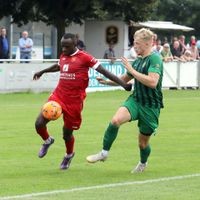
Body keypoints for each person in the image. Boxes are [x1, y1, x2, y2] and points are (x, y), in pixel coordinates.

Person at [33, 33, 132, 170]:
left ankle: (69, 155)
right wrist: (42, 71)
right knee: (39, 123)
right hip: (58, 96)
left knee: (66, 133)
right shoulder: (63, 56)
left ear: (75, 45)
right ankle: (48, 141)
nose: (63, 49)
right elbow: (58, 66)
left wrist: (123, 84)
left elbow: (104, 72)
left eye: (67, 46)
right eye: (62, 46)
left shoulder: (85, 58)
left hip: (74, 102)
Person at [86, 28, 164, 173]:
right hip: (136, 100)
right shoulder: (138, 61)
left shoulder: (155, 59)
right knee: (115, 120)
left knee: (142, 144)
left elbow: (153, 82)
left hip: (151, 106)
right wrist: (106, 82)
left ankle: (143, 163)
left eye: (138, 44)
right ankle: (104, 153)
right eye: (134, 43)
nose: (135, 46)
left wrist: (132, 70)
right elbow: (124, 80)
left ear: (147, 44)